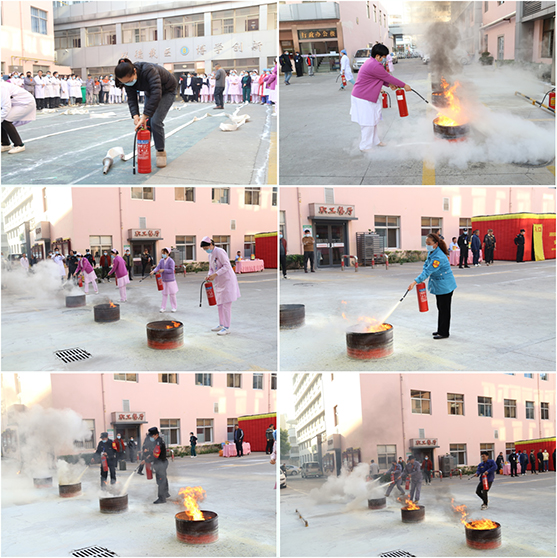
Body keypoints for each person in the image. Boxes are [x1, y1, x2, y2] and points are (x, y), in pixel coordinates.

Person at [114, 58, 178, 169]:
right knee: (146, 123)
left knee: (155, 121)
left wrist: (144, 116)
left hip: (167, 90)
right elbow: (132, 98)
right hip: (151, 92)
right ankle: (144, 152)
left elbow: (156, 93)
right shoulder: (127, 80)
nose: (128, 84)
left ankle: (160, 152)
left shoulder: (148, 70)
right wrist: (136, 116)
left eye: (129, 81)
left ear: (134, 71)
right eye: (125, 83)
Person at [350, 44, 411, 150]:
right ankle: (365, 147)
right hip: (363, 97)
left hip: (367, 96)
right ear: (378, 56)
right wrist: (404, 85)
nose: (384, 59)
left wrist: (389, 85)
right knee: (368, 123)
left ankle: (375, 141)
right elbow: (387, 77)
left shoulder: (371, 62)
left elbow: (379, 78)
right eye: (384, 57)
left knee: (373, 120)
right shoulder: (374, 65)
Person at [408, 233, 457, 339]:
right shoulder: (432, 252)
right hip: (440, 285)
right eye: (426, 243)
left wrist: (415, 282)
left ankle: (444, 332)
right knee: (441, 308)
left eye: (429, 243)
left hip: (445, 286)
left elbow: (428, 271)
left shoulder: (438, 257)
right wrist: (421, 275)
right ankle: (440, 330)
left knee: (444, 310)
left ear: (436, 244)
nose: (427, 245)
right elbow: (426, 265)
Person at [200, 236, 241, 335]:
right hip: (219, 282)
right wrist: (209, 275)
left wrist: (216, 274)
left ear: (211, 244)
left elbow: (227, 265)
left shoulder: (220, 251)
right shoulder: (210, 255)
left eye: (206, 248)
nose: (206, 250)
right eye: (204, 249)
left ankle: (227, 328)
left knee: (226, 304)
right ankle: (221, 324)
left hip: (227, 280)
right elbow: (211, 268)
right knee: (219, 304)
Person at [1, 80, 36, 154]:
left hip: (25, 103)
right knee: (2, 120)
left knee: (6, 120)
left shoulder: (2, 87)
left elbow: (6, 106)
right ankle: (5, 144)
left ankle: (19, 145)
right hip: (16, 103)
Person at [141, 426, 169, 504]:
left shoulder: (158, 443)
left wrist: (146, 460)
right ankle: (166, 493)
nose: (151, 437)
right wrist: (149, 455)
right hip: (161, 463)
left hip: (160, 464)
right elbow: (153, 452)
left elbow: (155, 455)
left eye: (152, 436)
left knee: (160, 481)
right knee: (163, 479)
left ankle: (162, 498)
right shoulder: (157, 441)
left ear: (156, 435)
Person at [150, 247, 178, 313]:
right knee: (164, 294)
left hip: (171, 280)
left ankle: (174, 307)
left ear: (168, 253)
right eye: (162, 253)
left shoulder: (171, 261)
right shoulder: (161, 260)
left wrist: (163, 270)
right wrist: (153, 271)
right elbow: (158, 267)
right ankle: (163, 307)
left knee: (172, 294)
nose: (163, 254)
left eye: (164, 253)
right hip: (164, 280)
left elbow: (171, 270)